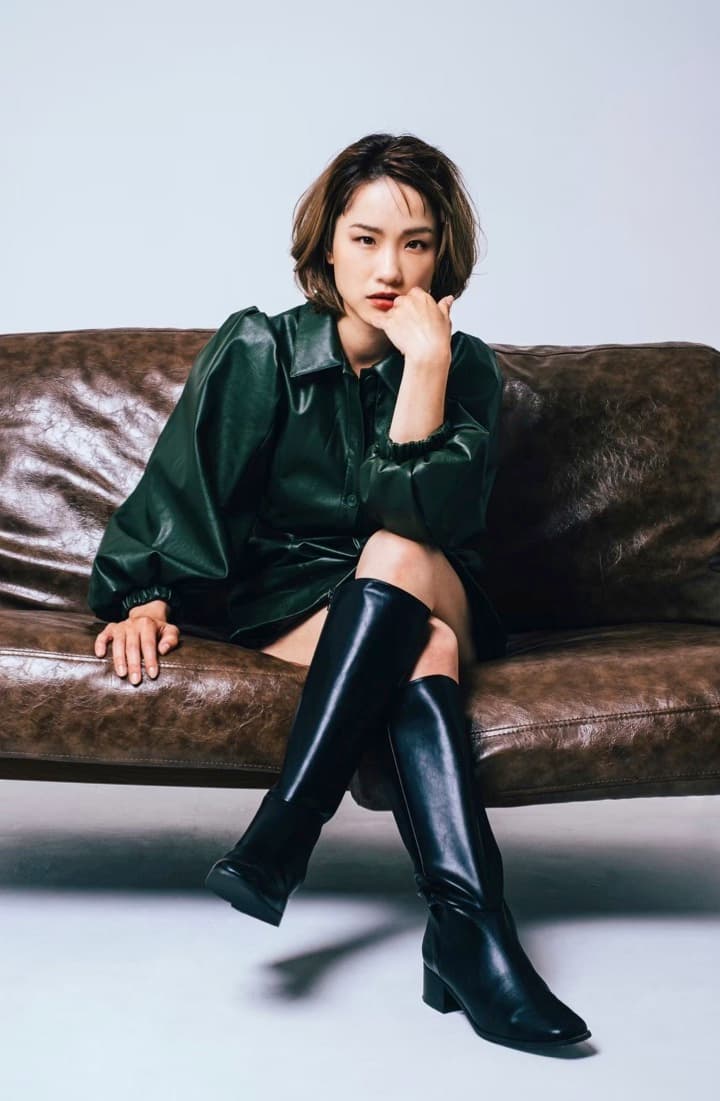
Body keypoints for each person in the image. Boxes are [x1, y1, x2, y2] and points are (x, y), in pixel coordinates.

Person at [87, 132, 591, 1052]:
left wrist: (426, 367)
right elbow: (182, 490)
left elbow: (421, 520)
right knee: (425, 646)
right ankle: (470, 934)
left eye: (416, 243)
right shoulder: (260, 350)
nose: (390, 269)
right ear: (328, 246)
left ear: (442, 256)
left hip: (434, 576)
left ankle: (283, 837)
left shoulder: (468, 366)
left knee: (397, 551)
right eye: (366, 239)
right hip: (299, 607)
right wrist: (146, 593)